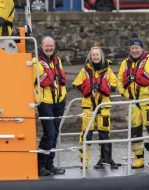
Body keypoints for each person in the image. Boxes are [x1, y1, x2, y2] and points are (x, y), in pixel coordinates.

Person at [117, 38, 149, 169]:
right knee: (135, 131)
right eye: (132, 48)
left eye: (137, 48)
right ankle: (139, 159)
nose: (135, 50)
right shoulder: (125, 63)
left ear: (142, 49)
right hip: (134, 102)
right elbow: (119, 80)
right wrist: (124, 92)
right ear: (130, 49)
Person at [72, 47, 118, 169]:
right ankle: (84, 162)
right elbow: (76, 84)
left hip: (103, 107)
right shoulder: (84, 71)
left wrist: (104, 86)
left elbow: (114, 85)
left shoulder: (108, 71)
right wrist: (87, 88)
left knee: (104, 133)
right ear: (90, 57)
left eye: (97, 55)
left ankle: (105, 159)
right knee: (86, 134)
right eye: (93, 55)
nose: (96, 57)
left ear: (101, 56)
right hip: (88, 107)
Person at [33, 36, 67, 176]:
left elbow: (60, 78)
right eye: (47, 46)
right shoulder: (35, 62)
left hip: (59, 101)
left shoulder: (56, 60)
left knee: (55, 134)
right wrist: (38, 99)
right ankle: (40, 164)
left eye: (51, 46)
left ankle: (49, 164)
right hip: (45, 102)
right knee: (50, 134)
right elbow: (33, 83)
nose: (49, 48)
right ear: (41, 46)